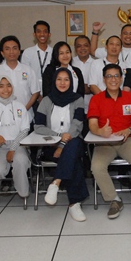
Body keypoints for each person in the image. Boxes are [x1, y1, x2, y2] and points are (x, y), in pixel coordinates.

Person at [87, 63, 131, 225]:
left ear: (121, 79)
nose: (113, 79)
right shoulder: (96, 99)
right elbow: (92, 124)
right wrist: (100, 131)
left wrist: (129, 130)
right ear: (104, 79)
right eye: (109, 76)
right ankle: (115, 200)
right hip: (104, 143)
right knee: (96, 166)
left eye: (116, 76)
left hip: (127, 140)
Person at [34, 68, 89, 221]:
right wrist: (58, 137)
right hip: (51, 145)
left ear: (71, 82)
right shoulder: (46, 100)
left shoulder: (77, 99)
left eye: (66, 79)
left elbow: (77, 125)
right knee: (74, 161)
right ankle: (74, 204)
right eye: (59, 79)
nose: (62, 83)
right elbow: (38, 126)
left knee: (73, 147)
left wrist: (63, 144)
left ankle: (56, 182)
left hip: (73, 141)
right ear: (54, 81)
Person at [0, 36, 40, 122]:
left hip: (26, 117)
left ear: (19, 51)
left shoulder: (28, 70)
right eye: (7, 49)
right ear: (2, 53)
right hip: (3, 118)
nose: (11, 52)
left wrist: (24, 109)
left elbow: (35, 92)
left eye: (14, 48)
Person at [21, 20, 53, 91]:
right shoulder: (28, 52)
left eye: (45, 31)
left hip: (50, 90)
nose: (42, 34)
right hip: (32, 91)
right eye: (39, 31)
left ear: (49, 34)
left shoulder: (54, 52)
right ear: (34, 34)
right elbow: (24, 74)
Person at [72, 35, 94, 111]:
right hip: (74, 107)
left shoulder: (96, 63)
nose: (82, 48)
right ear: (75, 48)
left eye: (85, 45)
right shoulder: (70, 63)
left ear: (90, 47)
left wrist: (90, 88)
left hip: (92, 107)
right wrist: (86, 88)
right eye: (79, 46)